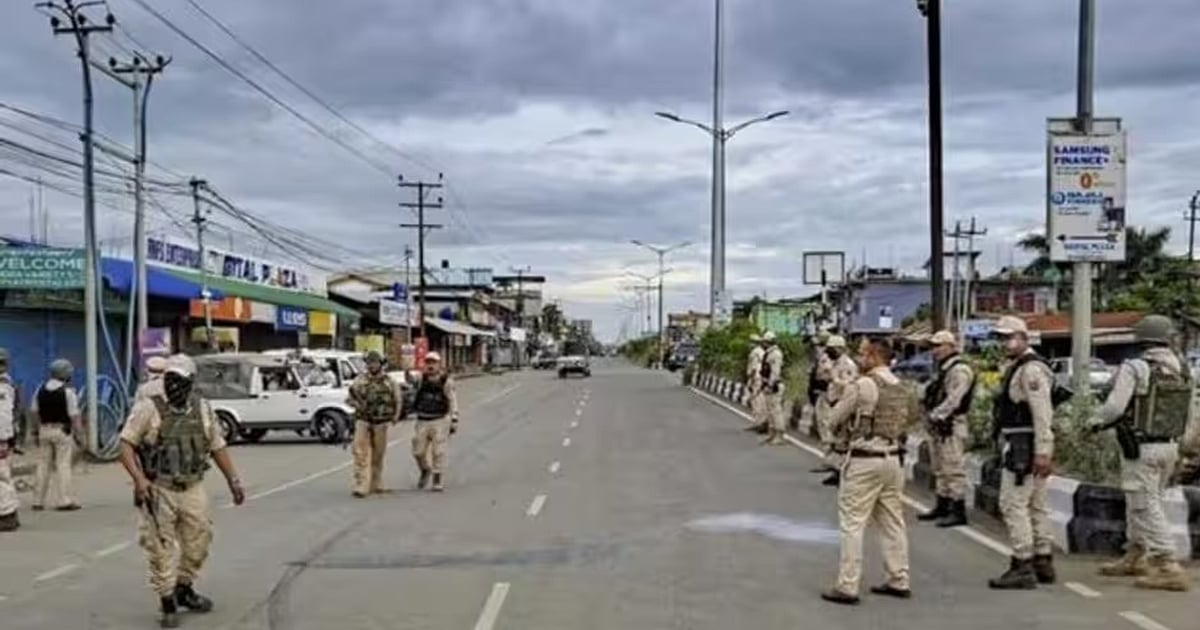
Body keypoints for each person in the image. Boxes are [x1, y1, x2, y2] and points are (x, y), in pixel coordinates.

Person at [117, 354, 246, 628]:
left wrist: (233, 480)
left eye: (181, 381)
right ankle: (167, 602)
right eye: (171, 380)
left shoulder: (203, 409)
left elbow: (217, 446)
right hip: (159, 488)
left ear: (191, 382)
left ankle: (184, 587)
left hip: (192, 486)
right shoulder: (148, 408)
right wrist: (140, 480)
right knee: (160, 546)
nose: (175, 386)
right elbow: (126, 445)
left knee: (199, 541)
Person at [1087, 314, 1191, 592]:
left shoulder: (1136, 367)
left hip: (1141, 447)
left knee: (1145, 505)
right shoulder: (1183, 368)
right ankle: (1135, 554)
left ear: (1141, 339)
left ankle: (1168, 564)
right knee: (1143, 501)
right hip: (1170, 446)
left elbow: (1114, 408)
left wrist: (1093, 422)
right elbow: (1192, 412)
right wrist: (1184, 447)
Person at [822, 337, 913, 605]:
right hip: (893, 459)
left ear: (874, 355)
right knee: (893, 521)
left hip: (864, 460)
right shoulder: (900, 387)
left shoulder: (862, 385)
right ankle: (899, 578)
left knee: (852, 523)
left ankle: (848, 585)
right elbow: (909, 419)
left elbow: (833, 419)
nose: (860, 359)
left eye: (862, 354)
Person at [988, 315, 1056, 590]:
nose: (1005, 342)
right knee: (1036, 504)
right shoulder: (1019, 367)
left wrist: (1043, 450)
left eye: (1009, 337)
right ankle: (1043, 560)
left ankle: (1023, 562)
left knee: (1013, 504)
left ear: (1024, 337)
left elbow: (1042, 413)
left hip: (1023, 445)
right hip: (1026, 442)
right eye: (1002, 337)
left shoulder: (1030, 370)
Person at [917, 330, 975, 528]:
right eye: (933, 346)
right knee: (940, 468)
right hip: (939, 425)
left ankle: (957, 510)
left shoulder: (959, 370)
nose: (935, 351)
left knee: (953, 468)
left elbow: (954, 399)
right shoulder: (943, 369)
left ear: (951, 346)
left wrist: (936, 415)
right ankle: (942, 505)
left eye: (939, 346)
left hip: (952, 423)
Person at [29, 358, 82, 511]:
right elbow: (74, 416)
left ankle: (37, 500)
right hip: (61, 431)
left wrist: (34, 431)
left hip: (44, 430)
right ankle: (64, 500)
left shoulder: (40, 389)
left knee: (42, 465)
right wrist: (80, 435)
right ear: (65, 374)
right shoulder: (68, 392)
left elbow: (33, 412)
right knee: (63, 465)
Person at [347, 351, 401, 497]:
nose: (372, 365)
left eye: (375, 362)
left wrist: (396, 415)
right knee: (359, 451)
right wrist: (356, 404)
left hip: (381, 422)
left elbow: (397, 399)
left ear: (380, 364)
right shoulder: (360, 380)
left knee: (378, 454)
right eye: (370, 363)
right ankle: (361, 484)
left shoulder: (389, 381)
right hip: (363, 420)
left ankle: (376, 483)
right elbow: (349, 398)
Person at [411, 352, 459, 491]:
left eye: (433, 363)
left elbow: (452, 400)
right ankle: (425, 470)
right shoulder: (421, 379)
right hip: (422, 420)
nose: (430, 366)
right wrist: (407, 368)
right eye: (428, 362)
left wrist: (454, 418)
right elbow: (410, 381)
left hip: (440, 419)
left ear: (439, 364)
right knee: (418, 451)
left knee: (438, 451)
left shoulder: (446, 381)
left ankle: (437, 478)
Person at [818, 335, 860, 486]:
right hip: (832, 401)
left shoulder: (847, 365)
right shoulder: (834, 363)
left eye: (832, 349)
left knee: (842, 440)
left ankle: (842, 473)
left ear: (840, 349)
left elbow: (850, 385)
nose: (829, 351)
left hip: (843, 403)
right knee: (836, 439)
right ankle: (837, 470)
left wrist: (834, 378)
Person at [0, 348, 20, 532]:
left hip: (1, 437)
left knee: (2, 476)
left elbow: (4, 416)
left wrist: (3, 440)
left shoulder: (3, 387)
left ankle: (7, 515)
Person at [760, 332, 786, 445]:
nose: (763, 344)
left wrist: (770, 385)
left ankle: (779, 434)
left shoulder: (776, 354)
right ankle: (771, 434)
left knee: (776, 411)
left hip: (774, 385)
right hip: (767, 384)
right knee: (770, 411)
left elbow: (775, 372)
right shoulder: (768, 353)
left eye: (765, 342)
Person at [743, 334, 768, 434]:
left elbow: (753, 368)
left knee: (756, 401)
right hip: (761, 378)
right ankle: (759, 423)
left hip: (756, 378)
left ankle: (759, 423)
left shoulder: (754, 353)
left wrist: (750, 379)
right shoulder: (762, 352)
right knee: (760, 401)